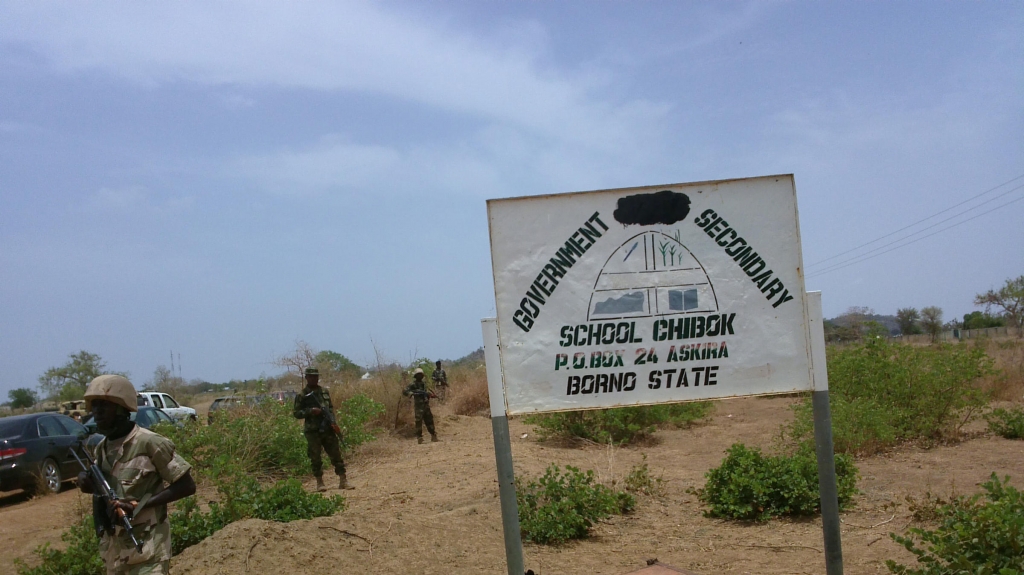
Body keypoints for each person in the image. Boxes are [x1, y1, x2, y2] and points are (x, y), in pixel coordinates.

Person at [77, 375, 196, 575]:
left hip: (147, 551)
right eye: (94, 406)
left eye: (104, 406)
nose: (96, 412)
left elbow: (186, 485)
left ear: (122, 408)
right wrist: (87, 483)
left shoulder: (150, 443)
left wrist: (137, 506)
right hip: (115, 555)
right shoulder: (101, 449)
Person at [294, 367, 351, 491]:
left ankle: (343, 480)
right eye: (311, 376)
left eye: (316, 376)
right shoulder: (302, 395)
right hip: (313, 431)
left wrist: (333, 423)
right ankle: (320, 483)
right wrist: (310, 411)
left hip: (327, 429)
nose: (314, 378)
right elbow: (296, 413)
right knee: (315, 457)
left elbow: (330, 409)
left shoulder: (324, 392)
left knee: (336, 455)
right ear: (307, 378)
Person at [403, 368, 438, 444]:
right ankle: (419, 437)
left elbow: (426, 392)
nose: (420, 376)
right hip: (418, 406)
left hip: (426, 405)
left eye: (421, 375)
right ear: (415, 376)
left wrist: (430, 395)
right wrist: (411, 393)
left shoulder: (424, 384)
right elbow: (405, 391)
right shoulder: (413, 384)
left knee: (429, 420)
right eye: (419, 375)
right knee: (418, 422)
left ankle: (433, 435)